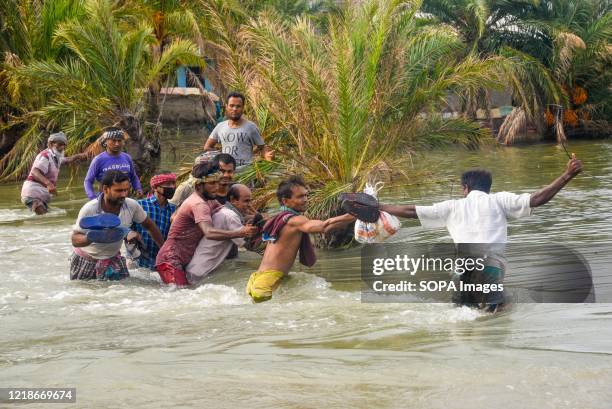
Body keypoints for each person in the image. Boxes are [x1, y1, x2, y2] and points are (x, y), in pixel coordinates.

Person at [378, 154, 584, 311]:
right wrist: (567, 175)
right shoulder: (499, 200)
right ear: (488, 188)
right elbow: (536, 199)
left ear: (465, 188)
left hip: (462, 268)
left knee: (463, 315)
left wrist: (379, 207)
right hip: (490, 267)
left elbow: (411, 211)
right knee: (497, 314)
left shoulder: (452, 206)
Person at [246, 176, 355, 302]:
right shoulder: (295, 220)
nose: (305, 200)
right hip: (268, 280)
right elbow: (324, 226)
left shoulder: (280, 217)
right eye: (300, 197)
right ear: (285, 201)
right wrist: (353, 215)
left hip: (257, 279)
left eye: (306, 195)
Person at [155, 163, 257, 287]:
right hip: (170, 260)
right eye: (212, 184)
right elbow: (208, 232)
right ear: (199, 185)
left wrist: (256, 218)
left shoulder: (209, 199)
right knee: (181, 296)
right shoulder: (199, 204)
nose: (216, 187)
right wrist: (239, 233)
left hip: (182, 258)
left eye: (217, 182)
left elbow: (229, 215)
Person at [70, 171, 164, 280]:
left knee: (123, 295)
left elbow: (150, 226)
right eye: (119, 191)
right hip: (86, 261)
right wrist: (90, 238)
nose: (124, 194)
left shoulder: (132, 206)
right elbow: (74, 239)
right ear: (105, 189)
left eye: (126, 190)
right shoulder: (90, 209)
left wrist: (164, 250)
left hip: (114, 259)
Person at [186, 184, 255, 284]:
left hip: (197, 269)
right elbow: (247, 244)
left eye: (250, 200)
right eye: (246, 201)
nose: (249, 205)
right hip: (202, 272)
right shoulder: (230, 216)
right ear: (233, 200)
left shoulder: (224, 212)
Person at [21, 132, 86, 215]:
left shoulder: (56, 157)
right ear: (50, 144)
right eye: (59, 145)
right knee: (44, 218)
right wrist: (48, 184)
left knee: (46, 218)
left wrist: (79, 156)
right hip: (32, 194)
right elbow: (34, 172)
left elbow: (67, 159)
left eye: (64, 145)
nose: (62, 147)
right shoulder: (45, 156)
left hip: (40, 195)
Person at [203, 92, 273, 167]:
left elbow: (262, 147)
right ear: (226, 107)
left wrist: (268, 157)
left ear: (243, 108)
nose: (235, 109)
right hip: (226, 172)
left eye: (238, 106)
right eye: (231, 105)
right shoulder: (220, 126)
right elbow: (207, 147)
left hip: (245, 173)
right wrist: (221, 155)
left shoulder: (251, 127)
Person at [132, 172, 177, 269]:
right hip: (138, 262)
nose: (172, 187)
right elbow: (125, 228)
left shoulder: (174, 210)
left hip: (160, 262)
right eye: (168, 184)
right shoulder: (140, 205)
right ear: (155, 187)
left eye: (173, 184)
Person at [84, 128, 143, 200]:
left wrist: (138, 189)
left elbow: (133, 177)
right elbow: (88, 181)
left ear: (123, 142)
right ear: (106, 142)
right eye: (113, 141)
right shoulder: (98, 160)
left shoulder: (127, 158)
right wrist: (92, 197)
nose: (117, 144)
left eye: (119, 141)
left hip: (125, 199)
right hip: (105, 201)